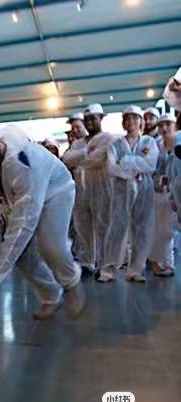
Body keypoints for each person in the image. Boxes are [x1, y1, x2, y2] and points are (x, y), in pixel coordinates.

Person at [0, 118, 84, 321]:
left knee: (51, 245)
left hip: (56, 191)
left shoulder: (21, 162)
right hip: (23, 196)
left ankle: (71, 282)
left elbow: (24, 224)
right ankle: (51, 296)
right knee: (21, 255)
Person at [100, 106, 158, 283]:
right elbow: (111, 168)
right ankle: (108, 270)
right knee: (116, 228)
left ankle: (135, 270)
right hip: (121, 191)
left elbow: (150, 165)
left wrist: (125, 161)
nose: (131, 121)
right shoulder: (115, 145)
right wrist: (134, 170)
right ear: (123, 123)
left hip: (144, 190)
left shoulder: (149, 143)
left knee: (142, 229)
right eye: (127, 118)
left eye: (134, 117)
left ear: (141, 121)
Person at [61, 104, 117, 277]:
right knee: (82, 226)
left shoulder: (108, 138)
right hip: (81, 189)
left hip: (101, 187)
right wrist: (86, 152)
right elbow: (66, 160)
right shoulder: (78, 143)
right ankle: (87, 262)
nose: (89, 122)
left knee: (103, 226)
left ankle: (105, 264)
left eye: (93, 118)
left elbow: (98, 158)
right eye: (86, 119)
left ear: (101, 118)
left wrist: (79, 159)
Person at [150, 113, 178, 276]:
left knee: (170, 230)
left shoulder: (179, 143)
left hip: (177, 193)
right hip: (159, 193)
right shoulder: (155, 146)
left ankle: (167, 262)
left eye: (168, 124)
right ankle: (160, 263)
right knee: (160, 230)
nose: (164, 128)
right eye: (161, 125)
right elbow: (150, 169)